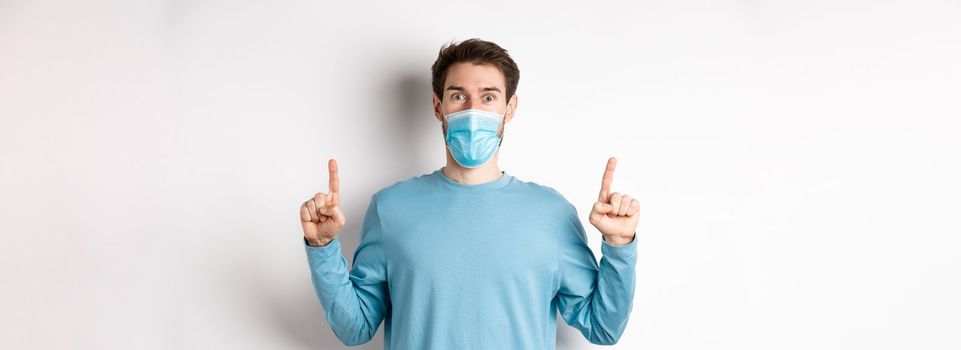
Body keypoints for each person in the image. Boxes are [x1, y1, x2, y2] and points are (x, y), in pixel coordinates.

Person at [298, 38, 640, 349]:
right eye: (458, 96)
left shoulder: (551, 213)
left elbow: (603, 327)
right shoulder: (391, 208)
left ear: (510, 108)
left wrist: (619, 247)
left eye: (488, 97)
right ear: (438, 106)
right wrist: (322, 248)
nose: (473, 111)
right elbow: (354, 329)